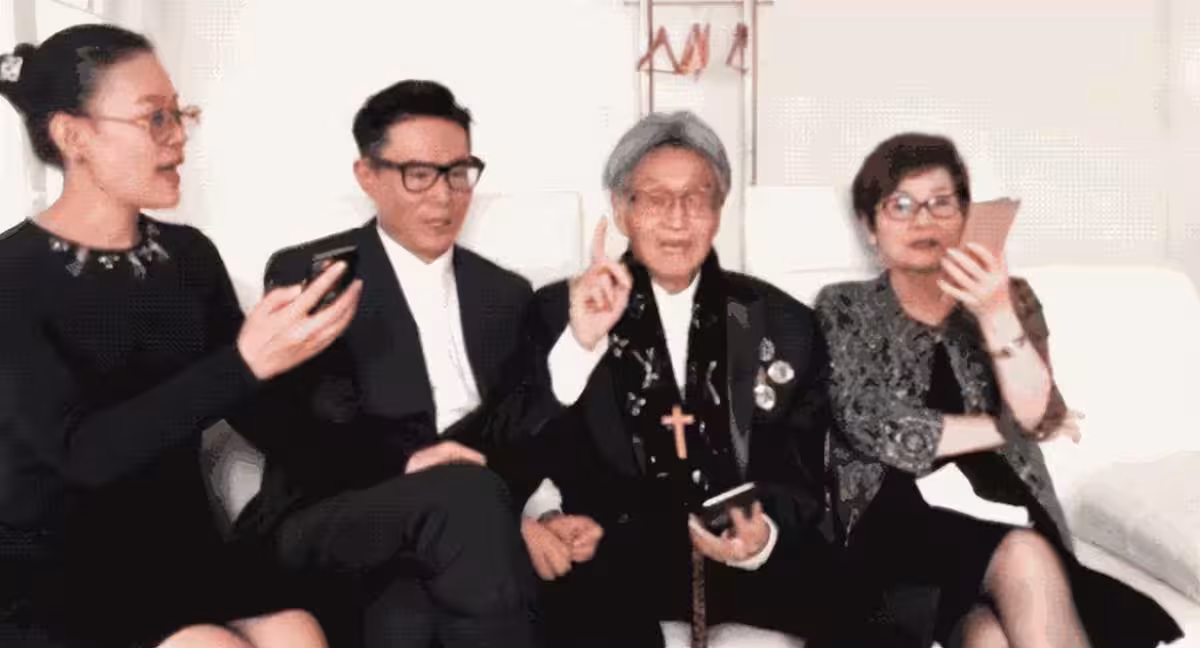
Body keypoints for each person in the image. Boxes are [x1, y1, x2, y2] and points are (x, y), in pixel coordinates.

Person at [0, 24, 356, 648]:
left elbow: (258, 411)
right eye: (155, 117)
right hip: (59, 567)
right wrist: (245, 362)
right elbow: (83, 453)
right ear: (73, 136)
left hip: (178, 549)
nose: (179, 137)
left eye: (180, 113)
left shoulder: (189, 256)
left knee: (299, 634)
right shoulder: (11, 276)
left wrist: (398, 454)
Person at [231, 79, 569, 648]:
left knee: (405, 618)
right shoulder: (316, 276)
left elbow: (517, 433)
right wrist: (412, 464)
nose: (444, 196)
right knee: (466, 499)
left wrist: (530, 514)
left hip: (458, 532)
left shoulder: (505, 295)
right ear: (367, 175)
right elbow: (303, 433)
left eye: (458, 172)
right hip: (330, 514)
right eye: (419, 174)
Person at [814, 132, 1184, 647]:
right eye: (900, 205)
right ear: (870, 228)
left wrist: (994, 311)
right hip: (889, 524)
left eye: (941, 203)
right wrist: (1006, 428)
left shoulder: (1012, 299)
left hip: (1001, 513)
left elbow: (1038, 408)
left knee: (989, 636)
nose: (923, 220)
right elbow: (873, 423)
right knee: (1022, 558)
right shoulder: (844, 305)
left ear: (965, 217)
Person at [512, 110, 843, 648]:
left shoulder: (784, 321)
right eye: (655, 198)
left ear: (719, 210)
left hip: (746, 561)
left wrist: (761, 536)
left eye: (697, 197)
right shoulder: (558, 312)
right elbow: (525, 444)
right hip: (609, 559)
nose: (677, 218)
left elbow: (801, 472)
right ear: (622, 209)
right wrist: (545, 516)